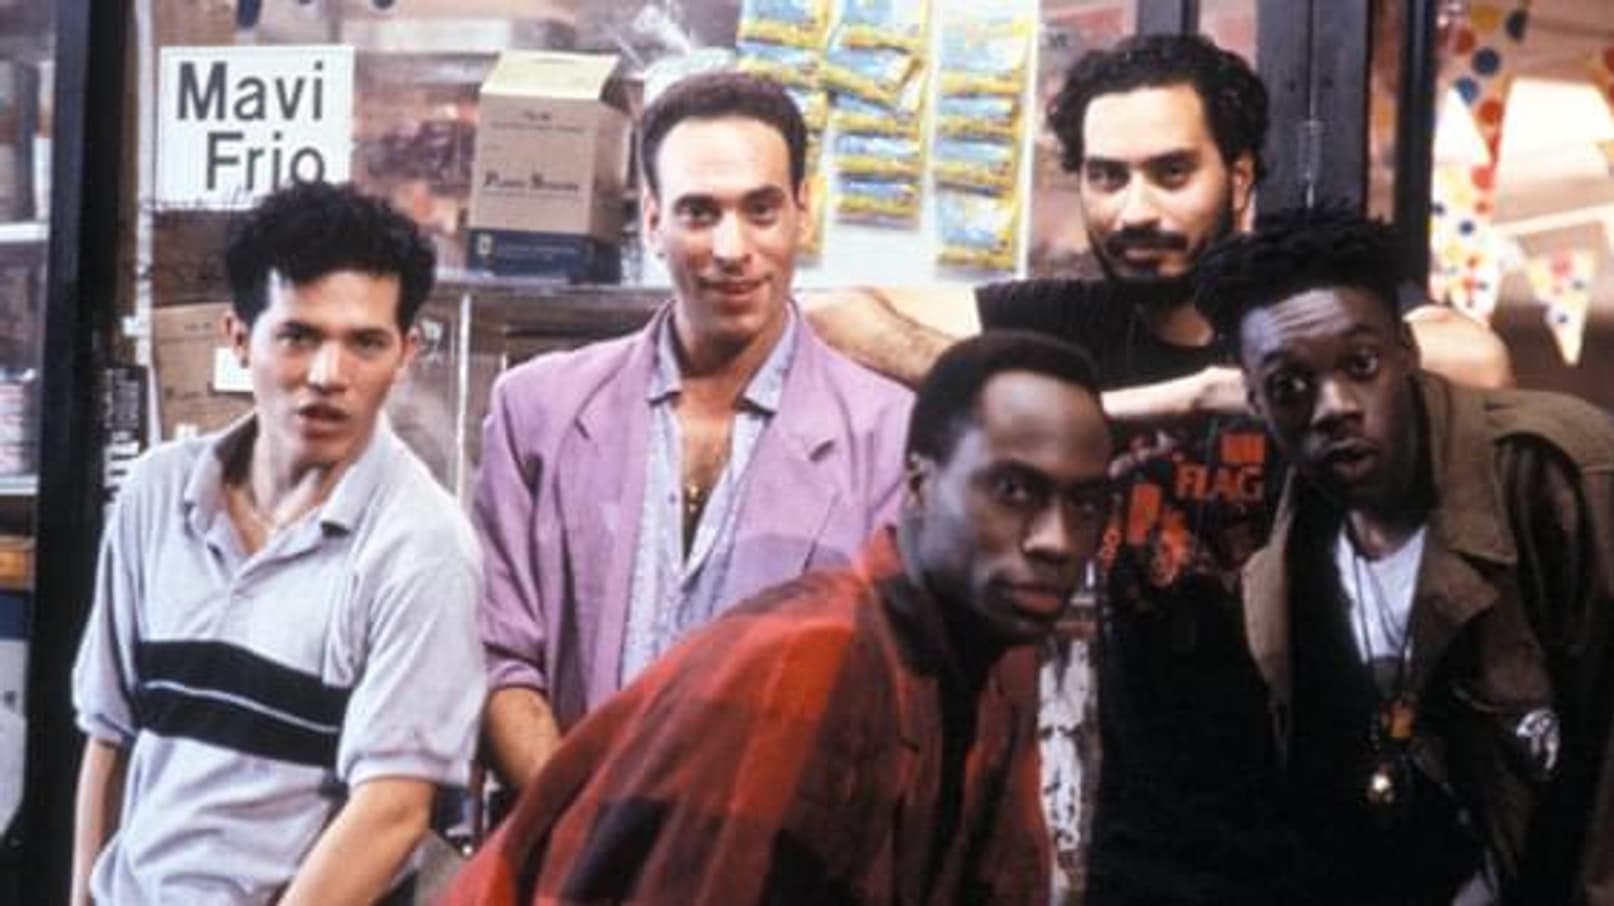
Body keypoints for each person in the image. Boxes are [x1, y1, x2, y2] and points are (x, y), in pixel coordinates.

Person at [804, 33, 1512, 902]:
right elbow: (836, 311)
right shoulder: (1073, 323)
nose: (1134, 209)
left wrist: (1229, 383)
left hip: (1354, 837)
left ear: (1239, 177)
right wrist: (1099, 402)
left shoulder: (1295, 308)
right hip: (1151, 843)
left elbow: (1478, 357)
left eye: (1171, 173)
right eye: (1106, 176)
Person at [443, 331, 1113, 905]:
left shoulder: (1000, 651)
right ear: (917, 485)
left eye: (1085, 504)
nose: (1055, 541)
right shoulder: (815, 660)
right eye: (1013, 491)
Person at [475, 71, 912, 792]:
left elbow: (885, 700)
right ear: (653, 222)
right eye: (699, 213)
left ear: (803, 212)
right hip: (566, 836)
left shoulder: (888, 436)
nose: (732, 248)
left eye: (761, 210)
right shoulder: (538, 410)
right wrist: (582, 828)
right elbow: (500, 659)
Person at [69, 181, 485, 905]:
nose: (328, 377)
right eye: (298, 336)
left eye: (365, 343)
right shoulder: (157, 494)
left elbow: (391, 810)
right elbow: (110, 735)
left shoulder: (422, 547)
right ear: (238, 338)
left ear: (406, 353)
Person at [1200, 207, 1614, 904]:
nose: (1333, 406)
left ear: (1406, 351)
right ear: (1254, 400)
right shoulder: (1283, 561)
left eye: (1361, 366)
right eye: (1290, 387)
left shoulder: (1556, 476)